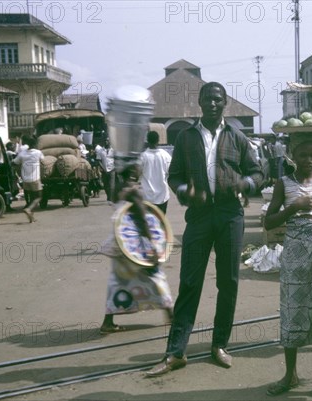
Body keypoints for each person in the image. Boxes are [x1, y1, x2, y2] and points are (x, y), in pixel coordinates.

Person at [145, 82, 263, 376]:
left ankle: (219, 345)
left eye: (217, 99)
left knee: (229, 282)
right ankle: (176, 352)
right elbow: (175, 176)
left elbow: (258, 172)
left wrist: (245, 184)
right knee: (190, 282)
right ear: (199, 102)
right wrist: (187, 192)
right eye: (207, 99)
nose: (212, 103)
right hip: (198, 217)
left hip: (229, 214)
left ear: (225, 104)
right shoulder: (186, 137)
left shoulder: (237, 137)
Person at [264, 134, 312, 401]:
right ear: (292, 157)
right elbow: (269, 222)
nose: (310, 159)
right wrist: (293, 207)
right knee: (292, 312)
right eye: (304, 155)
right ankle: (290, 374)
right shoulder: (283, 184)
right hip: (295, 254)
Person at [100, 163, 174, 334]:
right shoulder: (134, 191)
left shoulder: (118, 187)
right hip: (134, 243)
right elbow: (141, 218)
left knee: (118, 282)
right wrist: (153, 243)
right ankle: (171, 314)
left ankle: (108, 321)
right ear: (134, 173)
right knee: (155, 276)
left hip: (120, 243)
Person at [12, 135, 44, 223]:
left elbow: (14, 163)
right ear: (35, 144)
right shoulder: (38, 153)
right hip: (35, 179)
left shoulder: (22, 154)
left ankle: (31, 218)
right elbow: (43, 161)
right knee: (38, 197)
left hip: (25, 179)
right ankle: (28, 209)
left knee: (31, 198)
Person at [140, 131, 172, 214]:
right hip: (163, 195)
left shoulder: (142, 157)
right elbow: (171, 172)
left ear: (147, 140)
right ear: (158, 140)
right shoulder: (166, 155)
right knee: (161, 221)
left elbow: (137, 173)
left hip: (147, 196)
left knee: (149, 222)